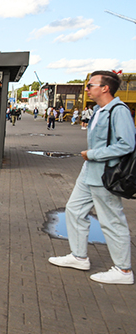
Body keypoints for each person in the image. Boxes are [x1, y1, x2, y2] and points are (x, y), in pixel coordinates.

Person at [48, 71, 134, 285]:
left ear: (105, 88)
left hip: (106, 174)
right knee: (74, 210)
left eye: (90, 85)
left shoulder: (118, 110)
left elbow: (127, 144)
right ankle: (79, 257)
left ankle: (123, 270)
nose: (86, 89)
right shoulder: (98, 110)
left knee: (112, 220)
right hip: (89, 172)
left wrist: (93, 154)